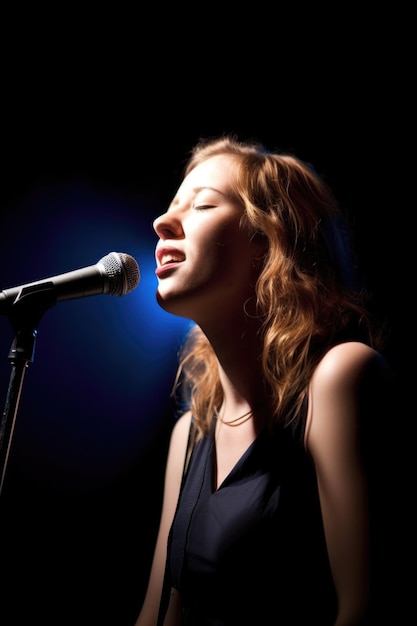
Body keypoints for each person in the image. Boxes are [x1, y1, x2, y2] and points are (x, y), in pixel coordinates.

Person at [134, 135, 395, 625]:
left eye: (204, 204)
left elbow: (365, 607)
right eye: (171, 207)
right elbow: (158, 613)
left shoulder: (339, 379)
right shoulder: (189, 435)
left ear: (270, 240)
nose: (162, 223)